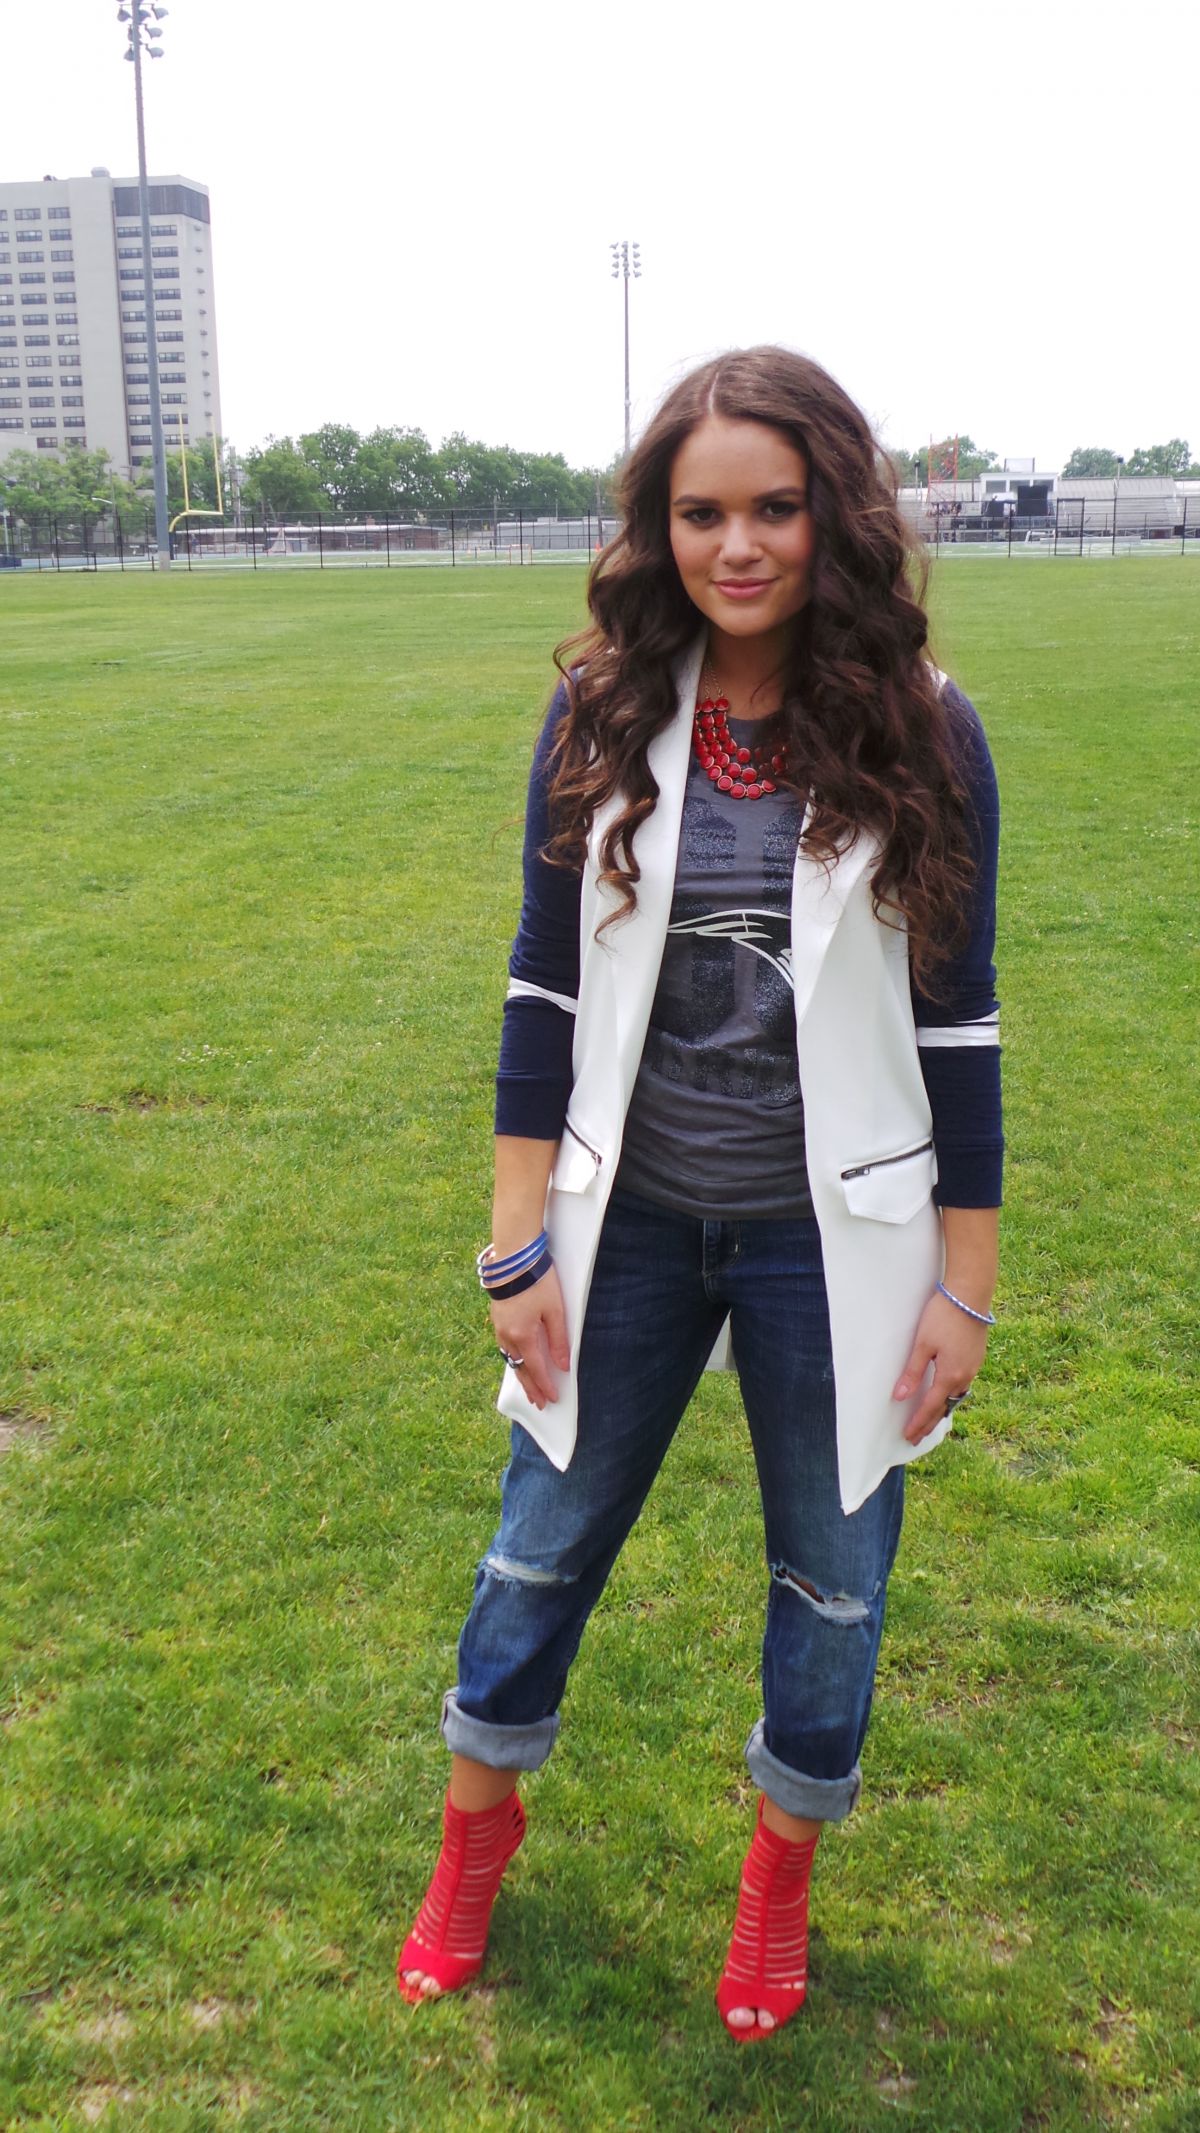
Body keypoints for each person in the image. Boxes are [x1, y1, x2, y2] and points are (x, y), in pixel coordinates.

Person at [398, 346, 1002, 2040]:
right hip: (631, 1226)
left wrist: (965, 1281)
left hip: (837, 1243)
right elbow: (541, 985)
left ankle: (778, 1881)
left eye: (775, 508)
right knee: (537, 1550)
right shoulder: (603, 710)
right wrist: (515, 1237)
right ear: (658, 527)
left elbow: (958, 1018)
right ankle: (473, 1838)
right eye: (700, 512)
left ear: (836, 515)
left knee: (834, 1578)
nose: (737, 546)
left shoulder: (924, 726)